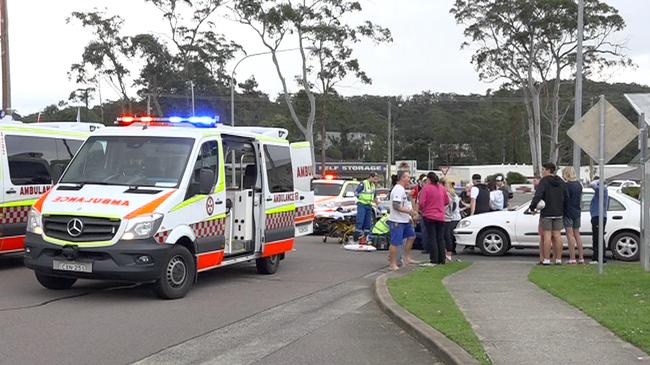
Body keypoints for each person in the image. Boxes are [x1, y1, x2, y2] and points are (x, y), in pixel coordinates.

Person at [529, 163, 568, 265]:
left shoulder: (544, 181)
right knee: (557, 235)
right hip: (559, 212)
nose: (542, 171)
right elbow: (566, 196)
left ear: (548, 170)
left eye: (543, 169)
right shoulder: (561, 181)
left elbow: (538, 195)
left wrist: (532, 207)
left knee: (547, 235)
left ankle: (546, 259)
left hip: (547, 212)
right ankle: (558, 259)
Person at [388, 171, 418, 271]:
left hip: (405, 220)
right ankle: (392, 263)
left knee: (411, 236)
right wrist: (409, 212)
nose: (409, 179)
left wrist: (410, 215)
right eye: (407, 177)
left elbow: (406, 203)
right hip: (397, 220)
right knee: (395, 242)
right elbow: (396, 206)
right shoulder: (397, 189)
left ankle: (407, 258)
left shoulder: (403, 190)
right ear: (402, 178)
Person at [418, 172, 449, 266]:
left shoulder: (426, 188)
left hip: (429, 215)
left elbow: (422, 203)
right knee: (440, 238)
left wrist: (421, 210)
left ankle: (434, 259)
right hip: (440, 216)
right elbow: (446, 201)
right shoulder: (441, 188)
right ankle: (442, 259)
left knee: (432, 238)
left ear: (428, 179)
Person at [563, 167, 584, 264]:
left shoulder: (566, 185)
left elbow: (565, 199)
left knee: (570, 235)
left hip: (568, 212)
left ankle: (572, 258)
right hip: (577, 211)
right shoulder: (579, 185)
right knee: (577, 235)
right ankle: (581, 258)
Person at [354, 172, 379, 244]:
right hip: (362, 204)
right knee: (360, 221)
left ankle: (365, 239)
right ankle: (356, 239)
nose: (376, 180)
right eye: (375, 178)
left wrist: (378, 204)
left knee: (368, 224)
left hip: (369, 205)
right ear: (371, 177)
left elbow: (374, 197)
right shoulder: (363, 183)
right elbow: (356, 192)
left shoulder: (373, 186)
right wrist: (360, 197)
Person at [590, 177, 609, 264]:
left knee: (598, 237)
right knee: (596, 237)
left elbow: (592, 184)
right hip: (596, 216)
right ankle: (596, 257)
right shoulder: (600, 192)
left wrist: (599, 180)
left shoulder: (602, 190)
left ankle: (600, 258)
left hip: (599, 217)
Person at [443, 179, 462, 261]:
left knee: (447, 236)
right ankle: (450, 252)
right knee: (449, 236)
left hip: (449, 217)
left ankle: (449, 253)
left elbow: (452, 206)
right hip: (453, 217)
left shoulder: (448, 195)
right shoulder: (454, 195)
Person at [532, 175, 545, 264]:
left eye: (535, 180)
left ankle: (543, 258)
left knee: (544, 237)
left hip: (545, 215)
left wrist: (532, 208)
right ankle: (556, 258)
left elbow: (538, 200)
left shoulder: (541, 189)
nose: (534, 182)